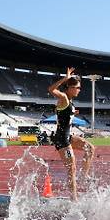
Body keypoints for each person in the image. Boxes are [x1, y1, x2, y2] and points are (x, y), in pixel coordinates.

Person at [47, 67, 96, 201]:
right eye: (78, 88)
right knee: (72, 168)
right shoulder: (63, 97)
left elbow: (63, 114)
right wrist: (66, 78)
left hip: (68, 137)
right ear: (70, 87)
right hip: (62, 140)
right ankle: (74, 199)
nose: (79, 90)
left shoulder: (70, 102)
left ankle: (84, 176)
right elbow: (51, 90)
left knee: (90, 148)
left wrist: (73, 113)